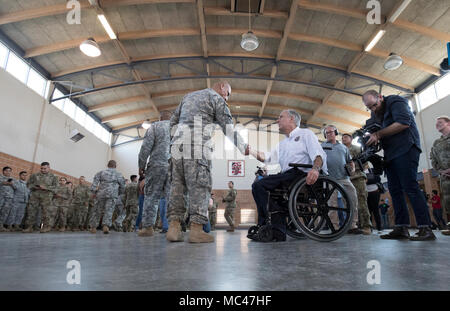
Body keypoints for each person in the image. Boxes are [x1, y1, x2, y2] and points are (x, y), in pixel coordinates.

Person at [166, 81, 248, 243]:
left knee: (177, 186)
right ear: (222, 87)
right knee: (200, 186)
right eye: (228, 94)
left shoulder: (188, 96)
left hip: (176, 146)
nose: (227, 98)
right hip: (197, 146)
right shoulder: (216, 98)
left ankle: (174, 229)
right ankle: (196, 230)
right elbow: (228, 129)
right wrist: (243, 147)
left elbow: (172, 122)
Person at [362, 90, 435, 240]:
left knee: (410, 187)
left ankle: (425, 228)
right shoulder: (375, 114)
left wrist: (378, 135)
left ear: (380, 97)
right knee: (394, 190)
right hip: (391, 153)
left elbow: (403, 123)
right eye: (370, 108)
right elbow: (376, 130)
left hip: (406, 148)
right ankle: (401, 227)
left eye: (374, 105)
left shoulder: (396, 101)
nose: (373, 110)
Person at [248, 110, 326, 242]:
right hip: (287, 176)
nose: (278, 120)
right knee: (264, 188)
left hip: (301, 174)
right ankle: (277, 232)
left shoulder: (305, 134)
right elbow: (266, 158)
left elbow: (318, 154)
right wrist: (250, 150)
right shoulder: (282, 143)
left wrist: (315, 169)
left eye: (280, 117)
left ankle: (264, 224)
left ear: (291, 119)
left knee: (260, 184)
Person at [138, 110, 172, 237]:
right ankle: (173, 227)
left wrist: (141, 166)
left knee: (152, 197)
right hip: (173, 168)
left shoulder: (155, 127)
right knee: (172, 197)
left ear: (160, 118)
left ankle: (148, 228)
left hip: (156, 166)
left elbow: (145, 147)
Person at [321, 126, 361, 234]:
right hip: (330, 178)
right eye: (327, 133)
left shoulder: (344, 148)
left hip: (344, 178)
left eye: (331, 132)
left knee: (352, 200)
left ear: (336, 133)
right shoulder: (321, 146)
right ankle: (335, 228)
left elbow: (350, 161)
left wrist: (352, 169)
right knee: (332, 204)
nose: (329, 134)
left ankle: (352, 225)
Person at [342, 133, 372, 234]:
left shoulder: (357, 148)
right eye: (342, 138)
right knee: (348, 203)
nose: (343, 139)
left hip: (358, 177)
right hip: (346, 179)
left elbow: (365, 164)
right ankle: (353, 226)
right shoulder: (341, 150)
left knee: (361, 201)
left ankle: (366, 226)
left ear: (351, 139)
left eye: (345, 137)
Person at [89, 160, 125, 234]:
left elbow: (94, 184)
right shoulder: (119, 174)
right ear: (115, 166)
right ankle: (106, 226)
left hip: (101, 194)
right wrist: (119, 194)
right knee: (109, 210)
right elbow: (123, 186)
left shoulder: (101, 172)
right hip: (112, 195)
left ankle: (93, 227)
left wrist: (94, 192)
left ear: (107, 165)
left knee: (97, 210)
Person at [23, 162, 59, 233]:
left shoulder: (54, 177)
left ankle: (46, 227)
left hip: (46, 197)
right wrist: (34, 186)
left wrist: (46, 187)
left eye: (45, 168)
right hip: (35, 195)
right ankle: (29, 227)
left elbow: (56, 188)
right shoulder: (35, 175)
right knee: (31, 211)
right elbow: (28, 184)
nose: (43, 170)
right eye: (42, 168)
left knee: (46, 212)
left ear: (49, 168)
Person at [430, 116, 450, 236]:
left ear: (448, 123)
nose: (437, 125)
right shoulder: (437, 143)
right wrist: (441, 171)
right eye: (436, 123)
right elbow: (433, 159)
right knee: (448, 203)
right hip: (445, 178)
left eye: (440, 122)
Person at [365, 169, 382, 233]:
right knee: (368, 211)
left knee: (375, 210)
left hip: (374, 192)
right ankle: (370, 228)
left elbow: (378, 179)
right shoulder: (360, 171)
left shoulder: (371, 170)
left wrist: (366, 180)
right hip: (365, 193)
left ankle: (379, 228)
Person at [0, 167, 16, 232]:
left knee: (5, 212)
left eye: (9, 171)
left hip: (9, 199)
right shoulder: (1, 177)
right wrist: (7, 183)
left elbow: (16, 187)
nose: (8, 172)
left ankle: (1, 226)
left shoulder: (13, 180)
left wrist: (11, 184)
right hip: (1, 197)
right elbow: (2, 182)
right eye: (6, 171)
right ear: (3, 171)